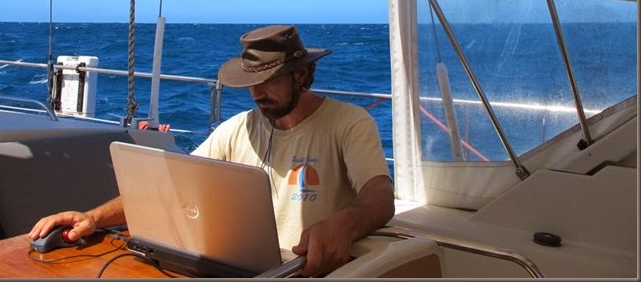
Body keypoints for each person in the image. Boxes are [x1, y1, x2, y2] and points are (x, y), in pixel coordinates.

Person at [29, 24, 395, 276]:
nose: (255, 93)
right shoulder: (237, 129)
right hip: (233, 268)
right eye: (251, 83)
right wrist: (93, 217)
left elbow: (379, 195)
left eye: (267, 81)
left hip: (306, 270)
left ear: (301, 75)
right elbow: (172, 185)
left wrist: (343, 224)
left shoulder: (349, 122)